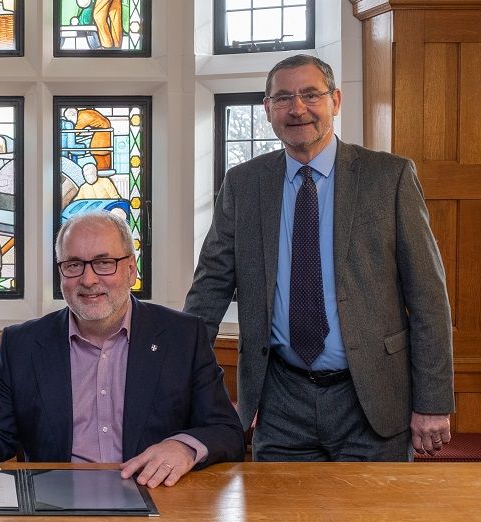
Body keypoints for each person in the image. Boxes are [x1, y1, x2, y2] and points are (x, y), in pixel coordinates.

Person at [184, 54, 454, 461]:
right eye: (283, 98)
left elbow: (429, 298)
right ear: (267, 109)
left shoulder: (389, 177)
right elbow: (210, 288)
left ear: (336, 101)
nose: (297, 109)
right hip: (280, 400)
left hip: (372, 398)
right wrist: (179, 379)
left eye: (311, 95)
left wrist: (432, 401)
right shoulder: (243, 184)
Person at [0, 212, 244, 487]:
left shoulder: (182, 336)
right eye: (74, 265)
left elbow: (226, 431)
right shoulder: (21, 344)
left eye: (104, 263)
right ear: (61, 273)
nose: (88, 280)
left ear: (131, 269)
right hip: (55, 508)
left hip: (158, 503)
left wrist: (184, 447)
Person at [64, 107, 113, 172]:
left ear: (73, 115)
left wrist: (66, 136)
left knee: (97, 151)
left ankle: (101, 171)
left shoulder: (82, 117)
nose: (71, 122)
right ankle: (104, 170)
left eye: (70, 119)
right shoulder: (83, 113)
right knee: (104, 152)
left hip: (102, 132)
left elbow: (75, 131)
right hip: (105, 130)